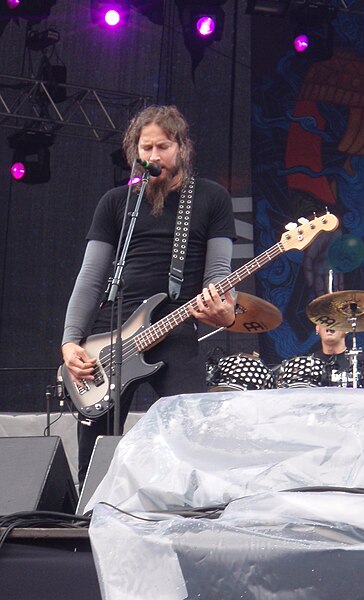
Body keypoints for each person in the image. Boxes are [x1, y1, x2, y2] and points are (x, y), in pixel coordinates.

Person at [61, 104, 237, 487]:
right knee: (96, 441)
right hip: (111, 333)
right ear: (134, 152)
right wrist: (70, 341)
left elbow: (220, 272)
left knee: (186, 430)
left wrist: (226, 309)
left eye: (163, 147)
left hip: (174, 325)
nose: (153, 157)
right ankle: (88, 514)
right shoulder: (115, 202)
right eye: (146, 149)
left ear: (181, 148)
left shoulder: (210, 197)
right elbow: (90, 277)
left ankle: (185, 510)